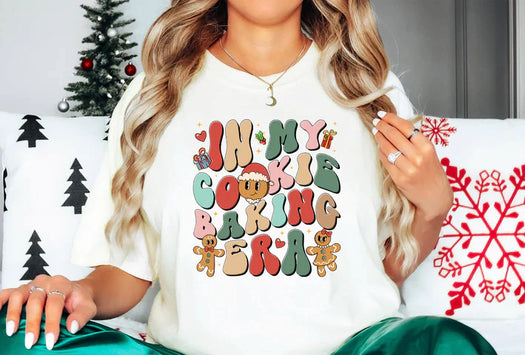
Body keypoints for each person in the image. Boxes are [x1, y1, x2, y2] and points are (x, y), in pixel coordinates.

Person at [0, 0, 497, 354]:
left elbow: (379, 269)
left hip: (354, 347)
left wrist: (433, 208)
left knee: (449, 345)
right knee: (14, 333)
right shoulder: (155, 92)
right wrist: (77, 292)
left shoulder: (369, 88)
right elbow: (132, 269)